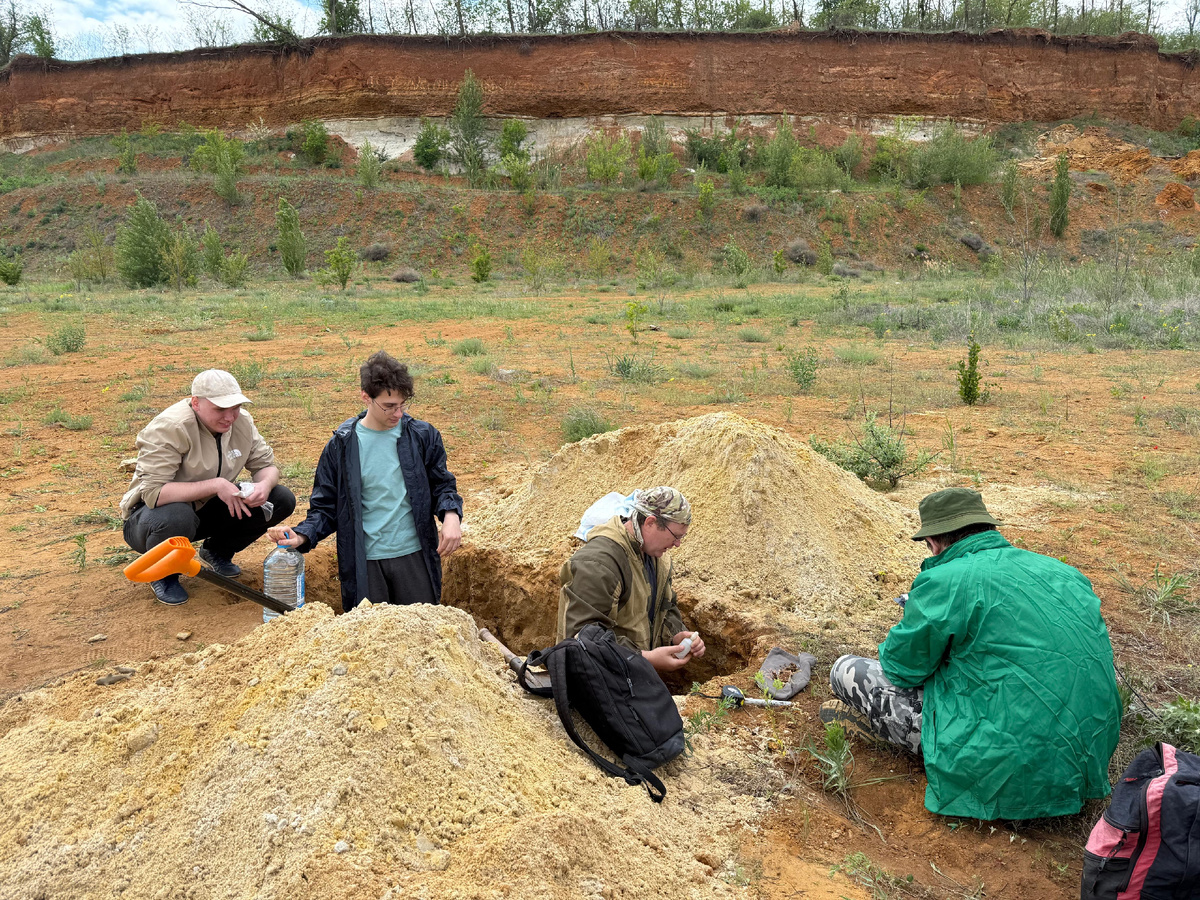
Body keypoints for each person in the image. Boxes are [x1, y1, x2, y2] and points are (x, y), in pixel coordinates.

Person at [820, 487, 1121, 821]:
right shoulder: (1065, 573)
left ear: (933, 542)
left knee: (845, 669)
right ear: (988, 528)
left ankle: (931, 753)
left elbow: (901, 667)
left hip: (1001, 764)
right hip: (1082, 755)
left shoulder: (945, 579)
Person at [267, 351, 462, 612]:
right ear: (365, 397)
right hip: (365, 563)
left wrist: (451, 515)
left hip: (414, 556)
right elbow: (326, 508)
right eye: (389, 406)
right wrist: (302, 535)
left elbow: (442, 485)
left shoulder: (423, 436)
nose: (398, 413)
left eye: (403, 404)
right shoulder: (342, 446)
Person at [120, 369, 296, 606]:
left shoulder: (242, 421)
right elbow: (154, 493)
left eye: (235, 407)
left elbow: (267, 467)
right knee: (177, 514)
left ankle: (217, 552)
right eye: (220, 409)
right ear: (196, 403)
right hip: (151, 519)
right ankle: (163, 574)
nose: (230, 416)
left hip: (203, 511)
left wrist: (263, 485)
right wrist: (216, 484)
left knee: (280, 498)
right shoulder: (170, 427)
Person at [557, 486, 706, 675]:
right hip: (595, 684)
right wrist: (646, 658)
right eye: (676, 536)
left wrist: (676, 635)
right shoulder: (598, 564)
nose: (677, 544)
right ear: (650, 522)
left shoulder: (656, 556)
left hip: (633, 678)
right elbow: (582, 641)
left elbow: (665, 606)